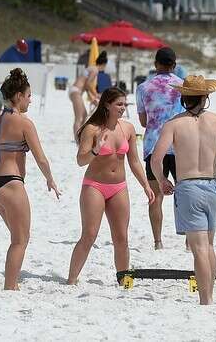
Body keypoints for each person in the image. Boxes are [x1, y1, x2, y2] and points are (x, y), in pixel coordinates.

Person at [151, 75, 216, 305]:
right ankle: (209, 294)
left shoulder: (174, 124)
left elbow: (156, 158)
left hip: (189, 186)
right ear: (205, 98)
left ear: (183, 97)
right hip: (213, 185)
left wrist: (162, 179)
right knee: (209, 245)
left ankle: (206, 299)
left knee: (199, 248)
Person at [0, 68, 61, 290]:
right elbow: (41, 158)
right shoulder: (24, 123)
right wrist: (50, 180)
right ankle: (10, 287)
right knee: (20, 240)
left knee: (17, 237)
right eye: (28, 96)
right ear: (18, 96)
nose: (30, 100)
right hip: (11, 184)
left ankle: (13, 285)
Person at [68, 88, 154, 285]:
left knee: (121, 238)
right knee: (89, 235)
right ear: (107, 104)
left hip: (119, 187)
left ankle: (124, 280)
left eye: (125, 104)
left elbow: (134, 162)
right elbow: (81, 160)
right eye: (119, 104)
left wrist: (145, 185)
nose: (123, 108)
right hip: (95, 186)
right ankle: (72, 279)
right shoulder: (92, 129)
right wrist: (96, 150)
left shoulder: (128, 129)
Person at [136, 47, 184, 250]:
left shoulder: (144, 87)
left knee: (155, 196)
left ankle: (158, 241)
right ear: (174, 65)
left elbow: (143, 121)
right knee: (185, 194)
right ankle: (190, 242)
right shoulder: (184, 86)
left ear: (155, 64)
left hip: (154, 146)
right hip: (180, 145)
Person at [68, 51, 108, 140]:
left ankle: (80, 136)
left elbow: (86, 85)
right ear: (103, 64)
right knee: (79, 117)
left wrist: (93, 97)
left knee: (85, 115)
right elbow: (89, 84)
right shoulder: (95, 70)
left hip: (75, 91)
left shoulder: (91, 68)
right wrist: (96, 95)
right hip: (76, 91)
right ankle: (77, 139)